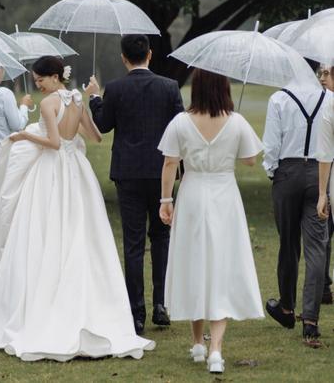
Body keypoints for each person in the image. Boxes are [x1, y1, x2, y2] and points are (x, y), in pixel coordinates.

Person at [0, 56, 155, 360]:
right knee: (78, 230)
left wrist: (23, 135)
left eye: (40, 79)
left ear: (55, 76)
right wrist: (93, 99)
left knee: (47, 229)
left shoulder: (48, 105)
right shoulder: (77, 99)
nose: (38, 85)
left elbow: (53, 143)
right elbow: (94, 136)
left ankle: (44, 305)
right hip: (76, 169)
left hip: (52, 170)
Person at [158, 69, 263, 375]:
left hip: (192, 194)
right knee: (220, 266)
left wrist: (166, 200)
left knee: (195, 263)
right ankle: (215, 349)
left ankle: (198, 343)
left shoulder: (180, 122)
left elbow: (169, 162)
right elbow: (250, 160)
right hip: (223, 196)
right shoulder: (236, 121)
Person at [85, 34, 184, 334]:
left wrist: (94, 98)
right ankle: (161, 304)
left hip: (128, 172)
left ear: (124, 58)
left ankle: (136, 311)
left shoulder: (114, 88)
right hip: (160, 172)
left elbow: (103, 125)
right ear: (150, 55)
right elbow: (179, 127)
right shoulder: (169, 87)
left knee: (133, 242)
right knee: (162, 237)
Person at [262, 75, 329, 345]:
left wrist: (272, 172)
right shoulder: (330, 99)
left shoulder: (279, 98)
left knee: (288, 244)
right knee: (317, 247)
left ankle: (287, 308)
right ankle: (310, 319)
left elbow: (271, 145)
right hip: (319, 173)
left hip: (287, 173)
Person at [0, 66, 33, 292]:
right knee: (6, 209)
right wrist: (24, 106)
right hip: (4, 154)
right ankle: (3, 269)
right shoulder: (4, 94)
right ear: (0, 70)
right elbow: (18, 125)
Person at [317, 65, 334, 304]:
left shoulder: (329, 105)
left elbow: (325, 154)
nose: (322, 78)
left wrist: (322, 193)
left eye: (327, 73)